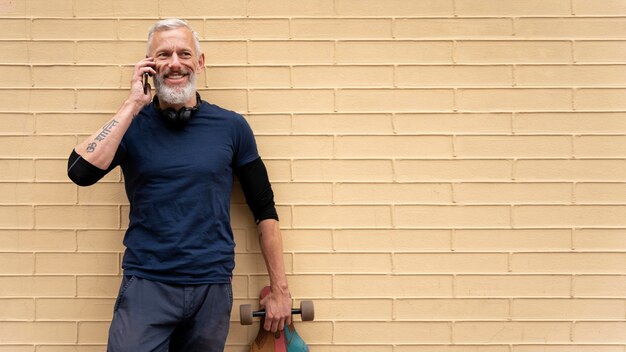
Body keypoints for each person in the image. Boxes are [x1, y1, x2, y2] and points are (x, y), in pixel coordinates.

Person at [67, 18, 292, 352]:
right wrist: (131, 104)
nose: (175, 63)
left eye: (184, 53)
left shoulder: (232, 127)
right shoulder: (131, 126)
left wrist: (280, 291)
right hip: (147, 283)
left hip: (211, 288)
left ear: (199, 62)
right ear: (149, 65)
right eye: (163, 54)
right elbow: (80, 172)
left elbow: (264, 210)